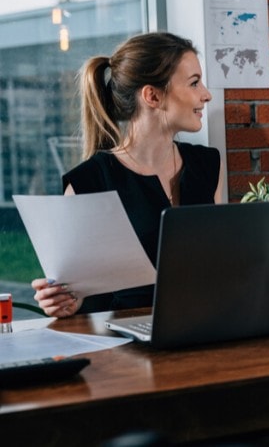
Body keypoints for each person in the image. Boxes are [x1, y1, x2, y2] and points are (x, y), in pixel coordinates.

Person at [31, 32, 223, 318]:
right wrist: (65, 301)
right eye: (194, 83)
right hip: (125, 348)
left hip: (203, 330)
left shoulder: (207, 164)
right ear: (153, 96)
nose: (206, 94)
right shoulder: (88, 183)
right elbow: (81, 296)